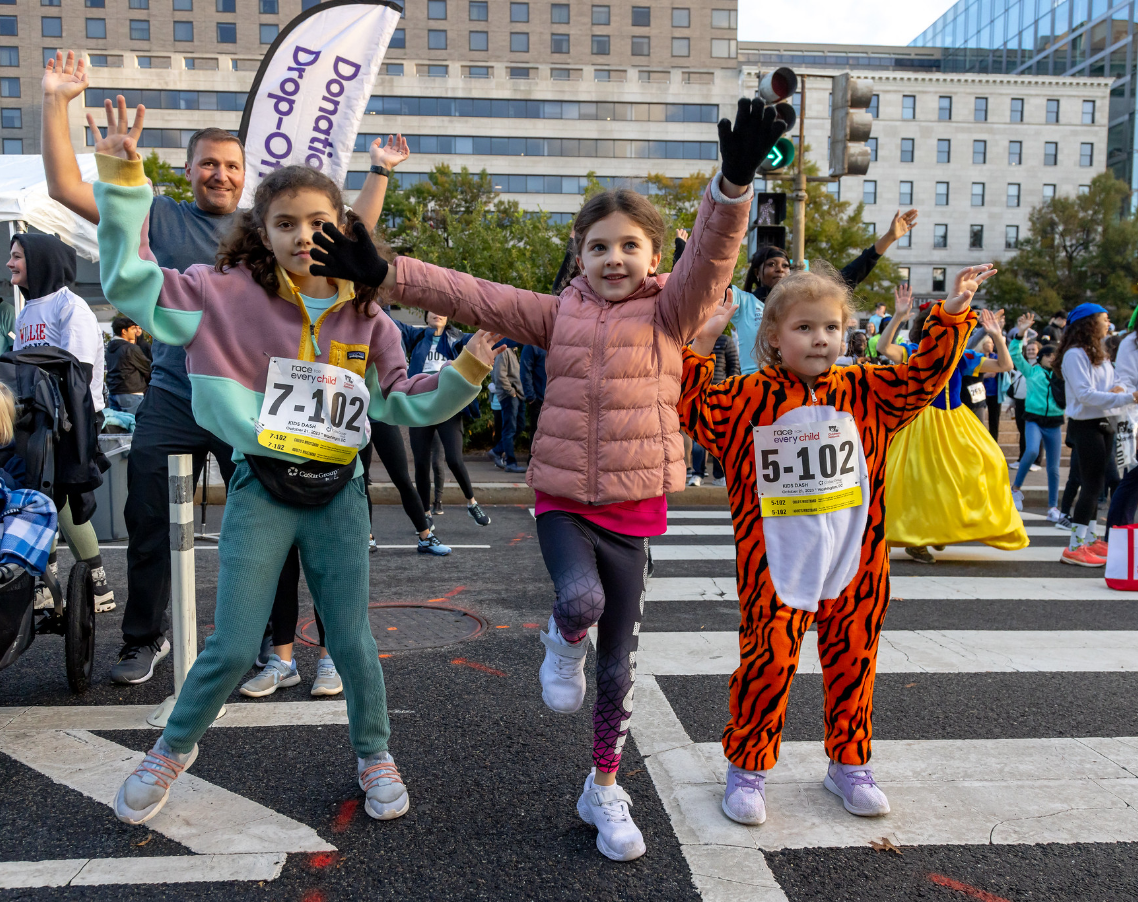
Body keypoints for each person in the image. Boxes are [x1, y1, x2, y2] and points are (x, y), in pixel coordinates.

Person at [309, 95, 781, 862]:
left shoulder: (673, 311)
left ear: (656, 257)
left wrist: (731, 186)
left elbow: (715, 255)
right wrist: (387, 272)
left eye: (631, 246)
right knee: (581, 601)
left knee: (621, 667)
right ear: (578, 252)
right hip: (562, 501)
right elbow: (466, 293)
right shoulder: (554, 314)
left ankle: (603, 787)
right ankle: (562, 639)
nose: (615, 259)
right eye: (599, 247)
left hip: (636, 506)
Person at [93, 124, 500, 824]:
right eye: (283, 223)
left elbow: (400, 397)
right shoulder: (218, 293)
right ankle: (171, 749)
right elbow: (131, 287)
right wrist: (124, 180)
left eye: (317, 222)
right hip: (261, 486)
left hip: (338, 492)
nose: (301, 234)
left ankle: (375, 754)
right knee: (229, 644)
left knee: (352, 641)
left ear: (341, 228)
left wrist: (467, 370)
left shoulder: (368, 314)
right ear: (261, 231)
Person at [40, 51, 403, 684]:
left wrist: (377, 172)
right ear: (187, 171)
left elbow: (352, 241)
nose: (220, 173)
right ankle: (142, 639)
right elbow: (67, 191)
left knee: (282, 512)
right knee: (148, 512)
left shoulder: (270, 228)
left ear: (247, 176)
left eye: (232, 165)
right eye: (207, 163)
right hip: (179, 395)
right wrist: (56, 104)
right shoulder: (161, 214)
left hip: (258, 400)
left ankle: (277, 646)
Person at [678, 260, 989, 827]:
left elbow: (924, 375)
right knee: (766, 664)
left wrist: (951, 313)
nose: (820, 338)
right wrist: (704, 338)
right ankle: (747, 767)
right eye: (803, 327)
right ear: (773, 337)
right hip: (775, 564)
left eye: (830, 327)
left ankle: (849, 762)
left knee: (854, 661)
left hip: (857, 561)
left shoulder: (868, 389)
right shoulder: (748, 397)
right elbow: (689, 404)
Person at [6, 231, 116, 612]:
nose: (9, 264)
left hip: (75, 417)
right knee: (37, 496)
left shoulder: (71, 306)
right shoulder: (27, 309)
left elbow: (79, 375)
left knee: (66, 497)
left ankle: (99, 586)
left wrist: (71, 425)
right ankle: (45, 583)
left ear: (39, 261)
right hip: (38, 419)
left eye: (17, 256)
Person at [881, 301, 1027, 564]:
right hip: (918, 424)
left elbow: (1004, 366)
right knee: (921, 483)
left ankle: (938, 530)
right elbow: (883, 348)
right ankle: (919, 541)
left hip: (955, 422)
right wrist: (899, 317)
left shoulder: (961, 357)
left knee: (986, 465)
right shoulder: (913, 351)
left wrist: (996, 335)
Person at [731, 209, 919, 374]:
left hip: (796, 389)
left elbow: (851, 273)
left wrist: (889, 238)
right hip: (756, 389)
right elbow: (711, 283)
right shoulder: (743, 301)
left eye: (785, 265)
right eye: (771, 264)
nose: (780, 269)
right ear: (757, 272)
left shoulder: (803, 299)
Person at [1056, 303, 1138, 566]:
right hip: (1085, 425)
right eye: (1104, 319)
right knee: (1091, 485)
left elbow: (1116, 383)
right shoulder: (1074, 354)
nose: (1109, 322)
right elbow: (1084, 395)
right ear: (1089, 323)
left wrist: (1119, 390)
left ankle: (1089, 540)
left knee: (1098, 483)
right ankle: (1075, 546)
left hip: (1104, 422)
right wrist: (1127, 396)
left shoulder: (1098, 352)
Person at [393, 311, 494, 522]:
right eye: (432, 311)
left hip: (448, 402)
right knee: (421, 462)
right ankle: (426, 513)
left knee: (454, 459)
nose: (438, 314)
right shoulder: (417, 336)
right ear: (425, 316)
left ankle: (472, 503)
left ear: (448, 317)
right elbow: (389, 322)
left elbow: (484, 337)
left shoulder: (457, 338)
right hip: (421, 403)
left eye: (442, 311)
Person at [1008, 314, 1064, 520]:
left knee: (1054, 468)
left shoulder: (1061, 375)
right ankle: (1015, 490)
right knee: (1031, 451)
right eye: (1049, 355)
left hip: (1054, 422)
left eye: (1054, 356)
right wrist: (1021, 333)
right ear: (1041, 357)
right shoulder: (1032, 371)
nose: (1052, 358)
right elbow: (1014, 354)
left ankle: (1052, 508)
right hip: (1033, 419)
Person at [1107, 317, 1138, 532]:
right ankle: (1117, 536)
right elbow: (1126, 381)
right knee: (1132, 479)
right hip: (1134, 417)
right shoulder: (1132, 342)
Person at [105, 314, 151, 413]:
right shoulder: (130, 348)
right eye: (132, 329)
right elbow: (147, 368)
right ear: (124, 331)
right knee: (135, 425)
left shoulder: (110, 348)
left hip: (114, 391)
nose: (135, 331)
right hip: (132, 393)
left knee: (119, 426)